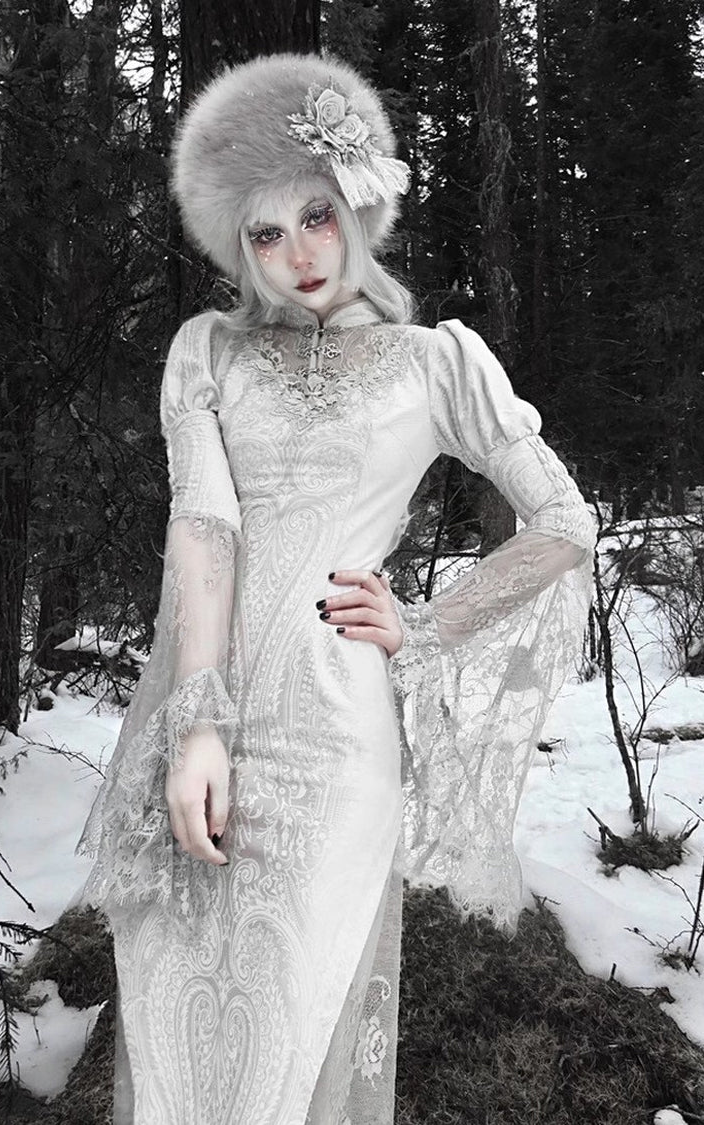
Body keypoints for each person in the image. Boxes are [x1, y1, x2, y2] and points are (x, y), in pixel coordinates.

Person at [76, 51, 596, 1125]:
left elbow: (564, 522)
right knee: (182, 1049)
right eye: (265, 233)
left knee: (288, 1041)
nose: (297, 253)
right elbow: (206, 529)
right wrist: (197, 726)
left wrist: (427, 625)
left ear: (357, 205)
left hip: (336, 744)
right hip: (208, 722)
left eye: (315, 215)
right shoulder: (209, 353)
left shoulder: (437, 362)